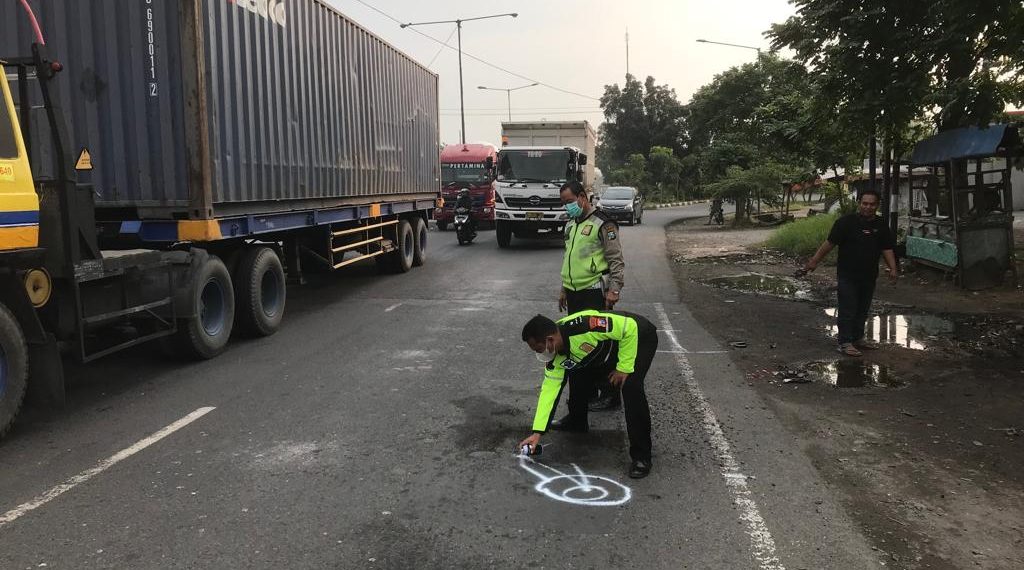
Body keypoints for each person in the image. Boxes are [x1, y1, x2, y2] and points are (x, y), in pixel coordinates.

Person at [518, 309, 658, 478]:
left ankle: (642, 456)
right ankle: (577, 421)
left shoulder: (585, 326)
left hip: (639, 336)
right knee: (576, 370)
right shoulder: (555, 355)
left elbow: (629, 328)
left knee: (631, 387)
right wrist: (537, 432)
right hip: (608, 348)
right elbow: (549, 390)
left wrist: (623, 368)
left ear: (550, 340)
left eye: (539, 349)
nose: (539, 353)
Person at [557, 180, 626, 414]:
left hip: (595, 293)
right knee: (579, 347)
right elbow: (571, 259)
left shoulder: (603, 224)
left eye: (569, 202)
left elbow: (615, 259)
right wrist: (564, 289)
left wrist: (614, 290)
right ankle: (586, 393)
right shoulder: (571, 225)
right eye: (563, 203)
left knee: (601, 345)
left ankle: (610, 394)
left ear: (583, 197)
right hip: (575, 294)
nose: (567, 207)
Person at [803, 189, 898, 357]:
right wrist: (814, 262)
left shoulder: (881, 224)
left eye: (872, 204)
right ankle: (845, 342)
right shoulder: (845, 223)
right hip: (847, 274)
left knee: (863, 309)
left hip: (869, 275)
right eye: (865, 203)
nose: (868, 207)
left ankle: (857, 338)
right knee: (848, 308)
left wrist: (893, 268)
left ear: (877, 205)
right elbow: (829, 244)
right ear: (859, 203)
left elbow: (887, 247)